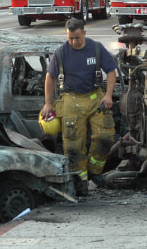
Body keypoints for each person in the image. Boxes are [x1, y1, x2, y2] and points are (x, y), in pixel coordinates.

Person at [40, 18, 118, 197]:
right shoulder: (61, 53)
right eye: (70, 38)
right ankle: (81, 180)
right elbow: (50, 78)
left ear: (84, 33)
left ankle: (94, 172)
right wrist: (48, 103)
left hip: (94, 96)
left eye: (77, 38)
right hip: (71, 99)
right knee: (73, 145)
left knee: (105, 136)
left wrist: (107, 96)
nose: (74, 42)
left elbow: (112, 71)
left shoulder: (96, 48)